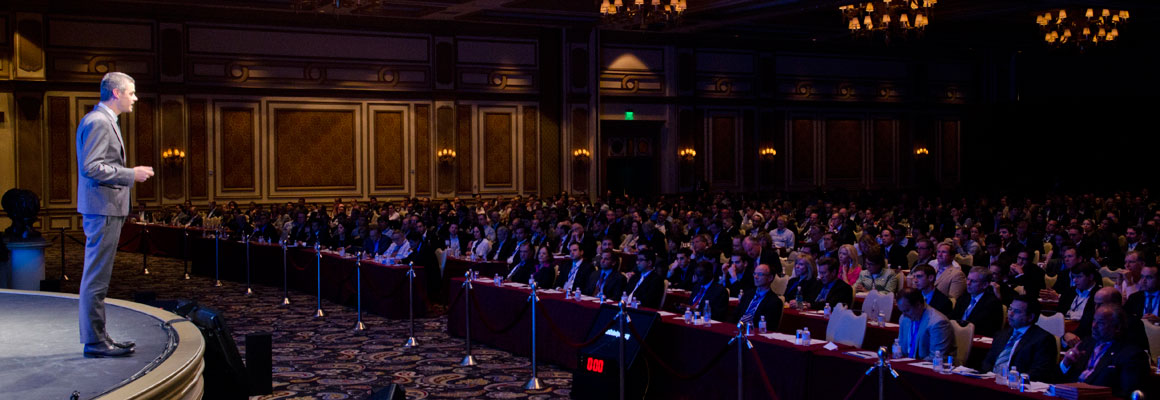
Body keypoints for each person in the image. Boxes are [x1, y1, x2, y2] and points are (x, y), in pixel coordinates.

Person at [76, 72, 153, 358]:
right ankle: (95, 341)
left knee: (98, 277)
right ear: (116, 93)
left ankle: (98, 337)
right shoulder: (99, 121)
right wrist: (131, 174)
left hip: (104, 207)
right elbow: (91, 167)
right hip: (103, 208)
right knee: (96, 278)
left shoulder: (104, 120)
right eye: (131, 93)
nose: (135, 98)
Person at [1056, 305, 1151, 398]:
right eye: (1094, 320)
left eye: (1101, 323)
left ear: (1117, 327)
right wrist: (1066, 363)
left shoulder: (1131, 355)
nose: (1094, 326)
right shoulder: (1085, 344)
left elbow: (1128, 393)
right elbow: (1056, 380)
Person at [980, 295, 1058, 382]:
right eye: (1010, 309)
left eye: (1017, 311)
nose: (1010, 314)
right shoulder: (1002, 334)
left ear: (1030, 317)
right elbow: (988, 362)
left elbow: (1040, 372)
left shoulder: (1043, 339)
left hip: (1016, 384)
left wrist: (1013, 379)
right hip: (991, 381)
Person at [896, 287, 955, 361]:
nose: (904, 315)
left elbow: (935, 358)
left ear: (918, 305)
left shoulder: (938, 322)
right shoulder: (904, 318)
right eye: (902, 311)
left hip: (930, 366)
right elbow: (900, 347)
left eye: (907, 310)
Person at [950, 266, 1005, 337]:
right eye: (968, 279)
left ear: (985, 285)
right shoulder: (964, 297)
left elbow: (988, 330)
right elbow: (953, 318)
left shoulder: (993, 304)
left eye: (973, 281)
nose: (968, 283)